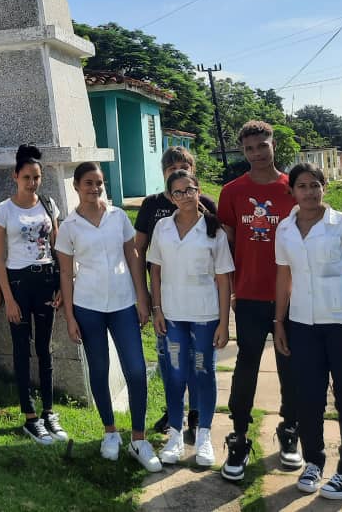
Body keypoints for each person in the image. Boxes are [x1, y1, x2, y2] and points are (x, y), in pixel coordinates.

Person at [273, 163, 342, 500]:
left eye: (315, 185)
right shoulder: (285, 229)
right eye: (302, 186)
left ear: (324, 187)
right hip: (303, 324)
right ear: (291, 191)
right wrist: (279, 322)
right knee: (308, 396)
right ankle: (313, 461)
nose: (309, 192)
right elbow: (284, 277)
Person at [56, 162, 161, 472]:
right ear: (76, 186)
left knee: (136, 369)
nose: (95, 188)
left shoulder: (117, 217)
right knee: (99, 369)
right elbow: (65, 271)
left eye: (99, 182)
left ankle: (139, 439)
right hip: (88, 305)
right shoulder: (70, 225)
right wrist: (70, 316)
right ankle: (110, 432)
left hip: (123, 302)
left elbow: (132, 255)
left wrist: (143, 298)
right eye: (88, 182)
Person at [217, 121, 299, 481]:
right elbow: (226, 244)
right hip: (249, 294)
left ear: (273, 145)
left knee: (290, 366)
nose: (256, 153)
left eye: (262, 146)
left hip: (292, 296)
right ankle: (239, 435)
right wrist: (231, 290)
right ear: (243, 151)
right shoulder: (232, 192)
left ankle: (290, 430)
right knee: (247, 365)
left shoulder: (293, 188)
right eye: (249, 148)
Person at [146, 170, 233, 468]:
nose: (185, 196)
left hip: (205, 315)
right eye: (178, 192)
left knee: (203, 371)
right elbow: (154, 271)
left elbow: (224, 280)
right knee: (175, 374)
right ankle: (174, 436)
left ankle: (205, 436)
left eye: (190, 190)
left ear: (198, 192)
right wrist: (156, 309)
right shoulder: (162, 227)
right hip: (172, 315)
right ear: (171, 197)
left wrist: (224, 322)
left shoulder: (213, 230)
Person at [133, 146, 218, 439]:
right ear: (165, 176)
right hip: (166, 300)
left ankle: (196, 417)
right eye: (171, 169)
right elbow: (139, 250)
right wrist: (143, 296)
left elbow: (221, 247)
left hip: (200, 302)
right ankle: (174, 413)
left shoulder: (206, 204)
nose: (177, 172)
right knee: (171, 361)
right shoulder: (152, 205)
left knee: (199, 363)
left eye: (183, 167)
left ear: (193, 173)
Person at [0, 144, 68, 445]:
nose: (32, 182)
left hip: (46, 280)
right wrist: (8, 298)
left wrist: (62, 285)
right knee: (22, 349)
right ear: (15, 176)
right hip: (19, 283)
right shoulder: (3, 210)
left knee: (45, 349)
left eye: (36, 177)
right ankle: (29, 416)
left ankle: (49, 412)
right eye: (27, 177)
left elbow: (58, 247)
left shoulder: (48, 205)